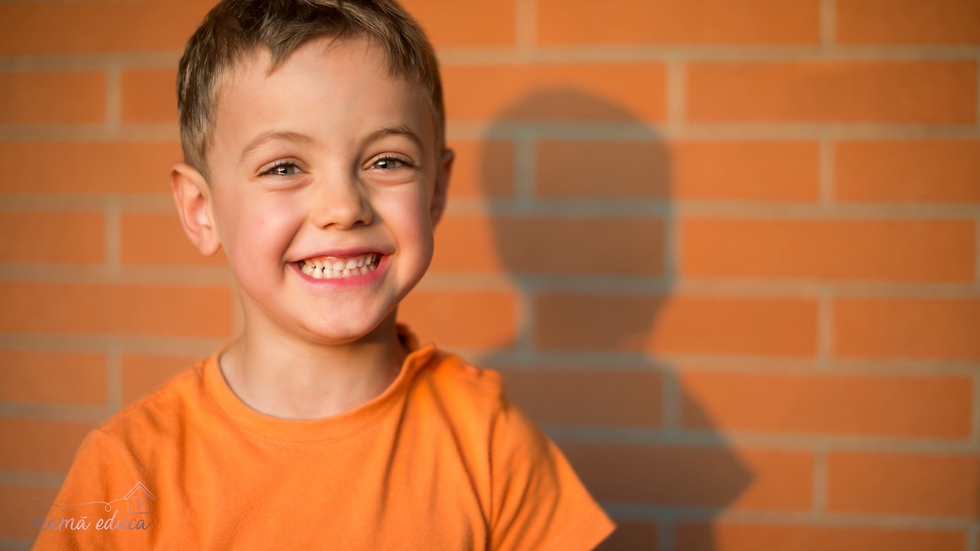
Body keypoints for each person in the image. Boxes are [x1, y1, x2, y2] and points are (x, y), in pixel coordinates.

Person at [30, 0, 614, 549]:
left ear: (435, 190)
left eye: (387, 160)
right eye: (284, 167)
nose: (344, 207)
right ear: (202, 210)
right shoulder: (127, 470)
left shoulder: (490, 441)